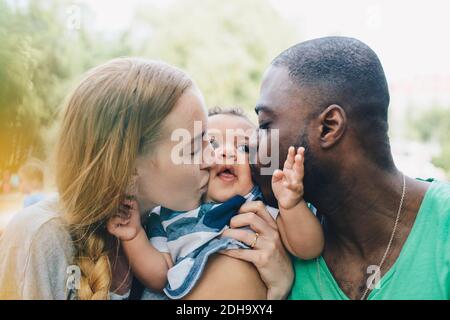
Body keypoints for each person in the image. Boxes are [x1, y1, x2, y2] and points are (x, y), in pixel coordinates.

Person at [0, 58, 293, 300]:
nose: (212, 159)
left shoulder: (175, 230)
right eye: (193, 148)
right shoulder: (41, 237)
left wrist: (276, 292)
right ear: (127, 171)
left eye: (208, 141)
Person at [250, 36, 450, 300]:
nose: (251, 144)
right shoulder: (274, 245)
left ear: (329, 127)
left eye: (265, 126)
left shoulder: (442, 231)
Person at [107, 107, 323, 299]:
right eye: (211, 144)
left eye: (244, 149)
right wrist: (134, 236)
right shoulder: (169, 214)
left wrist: (291, 205)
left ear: (257, 168)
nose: (227, 152)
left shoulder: (260, 207)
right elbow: (159, 276)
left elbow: (309, 248)